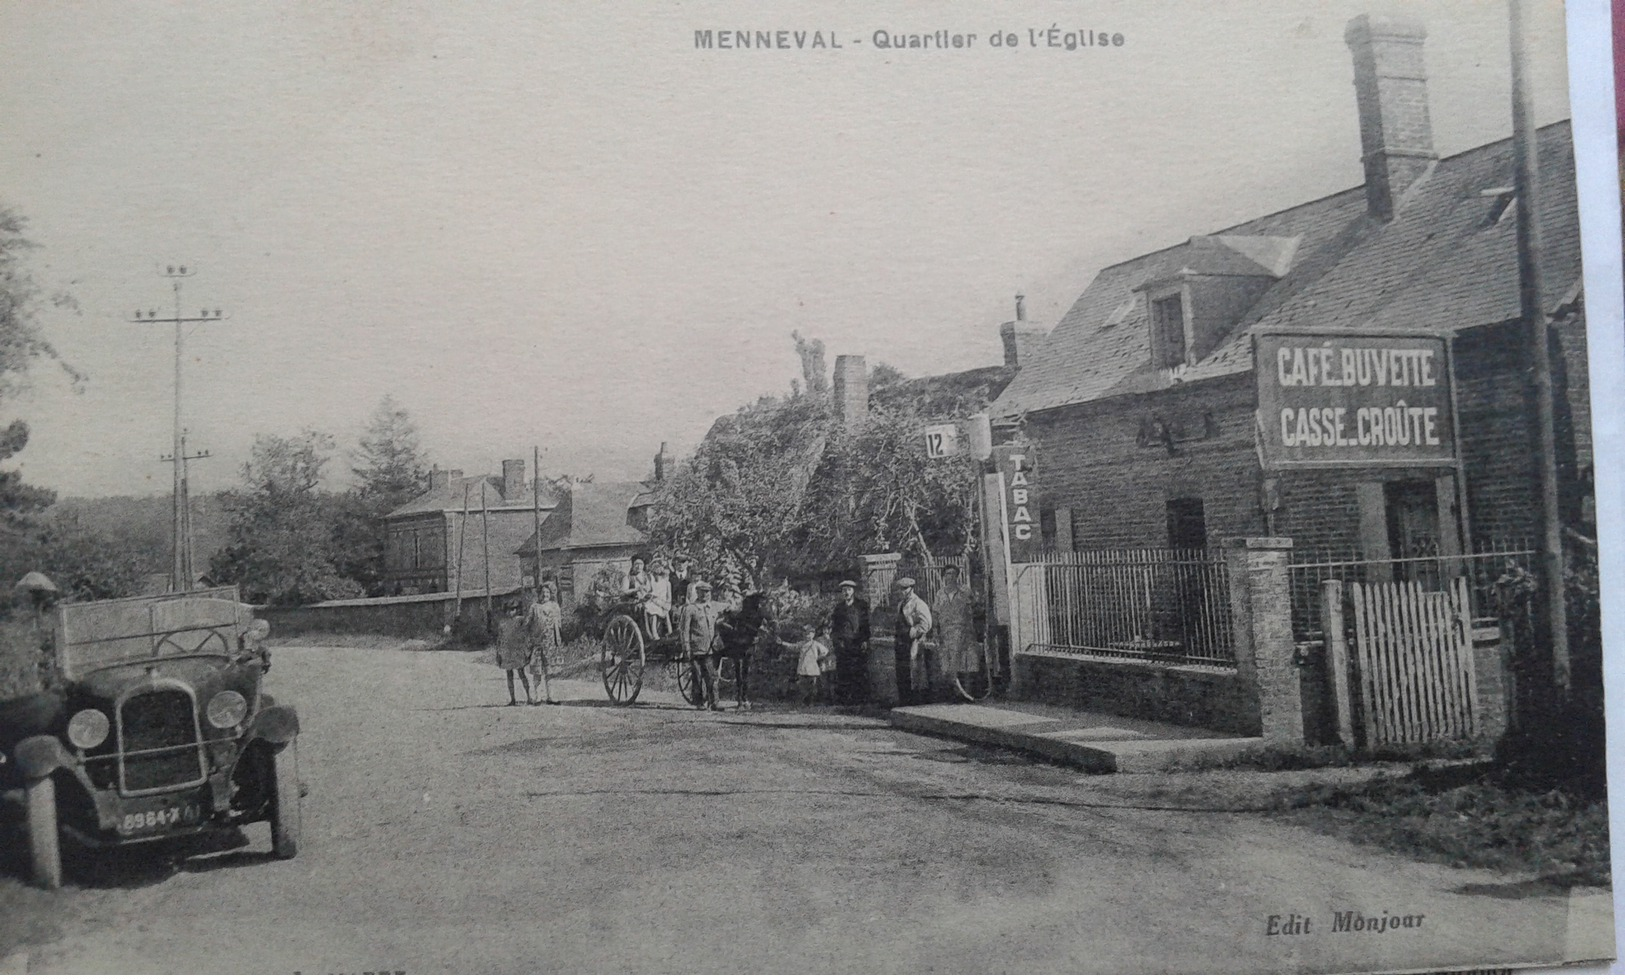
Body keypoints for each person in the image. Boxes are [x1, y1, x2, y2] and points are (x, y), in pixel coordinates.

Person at [933, 565, 978, 698]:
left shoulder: (965, 592)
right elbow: (935, 613)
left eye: (953, 574)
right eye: (947, 574)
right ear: (944, 576)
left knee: (966, 664)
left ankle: (966, 693)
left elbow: (972, 610)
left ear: (957, 576)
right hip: (946, 633)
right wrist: (935, 631)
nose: (950, 577)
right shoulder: (940, 594)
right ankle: (953, 694)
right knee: (948, 666)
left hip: (963, 632)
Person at [679, 580, 723, 711]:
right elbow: (684, 630)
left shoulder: (713, 607)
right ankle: (698, 702)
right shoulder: (690, 609)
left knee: (712, 676)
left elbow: (729, 607)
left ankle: (714, 703)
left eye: (708, 592)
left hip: (709, 648)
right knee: (697, 676)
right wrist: (686, 647)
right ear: (697, 592)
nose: (705, 595)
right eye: (703, 592)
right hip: (695, 648)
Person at [827, 579, 870, 705]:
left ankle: (859, 700)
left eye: (849, 590)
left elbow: (865, 625)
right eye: (844, 590)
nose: (846, 592)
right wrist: (836, 641)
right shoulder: (839, 608)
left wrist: (865, 640)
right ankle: (845, 700)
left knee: (857, 671)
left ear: (853, 591)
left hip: (856, 643)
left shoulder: (861, 606)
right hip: (842, 645)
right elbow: (835, 627)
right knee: (843, 671)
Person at [892, 577, 933, 707]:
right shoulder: (900, 604)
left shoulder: (918, 603)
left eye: (905, 589)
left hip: (914, 642)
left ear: (911, 589)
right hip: (900, 642)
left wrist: (913, 632)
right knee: (902, 671)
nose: (902, 592)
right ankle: (904, 701)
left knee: (915, 672)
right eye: (900, 589)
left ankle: (916, 702)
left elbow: (926, 623)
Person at [524, 582, 563, 705]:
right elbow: (527, 623)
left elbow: (559, 624)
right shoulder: (534, 607)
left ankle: (550, 696)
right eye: (543, 593)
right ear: (539, 594)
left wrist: (558, 638)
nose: (545, 595)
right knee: (537, 672)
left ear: (551, 594)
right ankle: (538, 697)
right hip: (538, 643)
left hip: (551, 643)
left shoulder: (555, 606)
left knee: (550, 671)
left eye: (547, 593)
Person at [493, 599, 536, 706]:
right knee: (509, 674)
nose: (510, 612)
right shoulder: (502, 623)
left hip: (517, 650)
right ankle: (512, 699)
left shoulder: (520, 620)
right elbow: (499, 638)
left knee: (521, 673)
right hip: (506, 651)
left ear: (516, 610)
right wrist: (498, 652)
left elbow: (528, 627)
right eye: (508, 610)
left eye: (513, 609)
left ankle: (529, 697)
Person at [645, 557, 674, 637]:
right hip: (653, 601)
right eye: (656, 568)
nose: (658, 570)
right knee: (654, 613)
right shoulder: (652, 581)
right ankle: (654, 633)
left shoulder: (666, 583)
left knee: (666, 613)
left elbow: (669, 596)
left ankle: (669, 631)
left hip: (663, 602)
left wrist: (667, 604)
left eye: (659, 568)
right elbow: (649, 592)